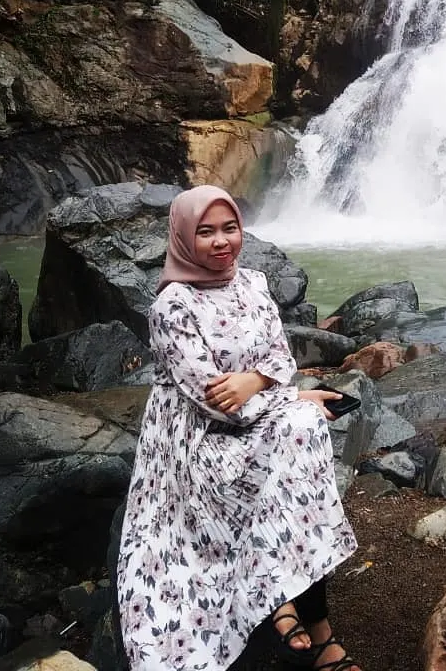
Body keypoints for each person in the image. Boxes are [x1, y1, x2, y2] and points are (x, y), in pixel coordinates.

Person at [118, 186, 361, 671]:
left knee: (301, 445)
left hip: (255, 415)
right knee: (298, 440)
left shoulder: (252, 282)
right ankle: (301, 616)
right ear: (184, 237)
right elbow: (216, 403)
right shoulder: (173, 307)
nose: (221, 241)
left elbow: (279, 356)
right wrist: (290, 397)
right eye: (205, 232)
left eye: (229, 228)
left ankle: (299, 611)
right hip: (193, 440)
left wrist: (259, 380)